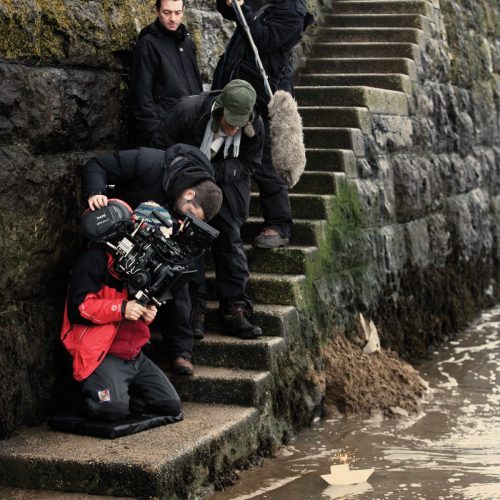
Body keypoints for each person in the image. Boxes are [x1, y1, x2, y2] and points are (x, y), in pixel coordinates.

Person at [81, 143, 223, 376]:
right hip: (119, 234)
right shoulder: (148, 162)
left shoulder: (191, 200)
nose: (185, 218)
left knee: (177, 282)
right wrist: (97, 191)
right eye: (189, 212)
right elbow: (97, 165)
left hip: (157, 248)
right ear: (189, 193)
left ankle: (181, 352)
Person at [152, 80, 265, 340]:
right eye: (229, 119)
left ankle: (234, 310)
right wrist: (187, 174)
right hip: (186, 181)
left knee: (230, 241)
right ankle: (194, 310)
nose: (234, 127)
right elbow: (160, 146)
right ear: (219, 107)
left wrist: (214, 172)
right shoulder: (188, 111)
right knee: (189, 240)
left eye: (240, 122)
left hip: (229, 183)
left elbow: (250, 163)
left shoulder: (255, 125)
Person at [60, 202, 182, 422]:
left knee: (170, 405)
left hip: (135, 353)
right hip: (102, 353)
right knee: (112, 412)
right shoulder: (94, 259)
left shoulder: (145, 264)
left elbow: (147, 301)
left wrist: (149, 310)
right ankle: (89, 396)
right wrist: (122, 308)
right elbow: (79, 308)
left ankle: (120, 395)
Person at [212, 0, 313, 249]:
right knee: (228, 153)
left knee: (267, 159)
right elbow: (229, 11)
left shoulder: (293, 11)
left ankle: (279, 224)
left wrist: (244, 8)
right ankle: (226, 218)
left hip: (267, 93)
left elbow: (262, 38)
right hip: (238, 86)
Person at [129, 0, 202, 145]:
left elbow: (197, 87)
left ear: (184, 10)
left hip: (192, 133)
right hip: (164, 135)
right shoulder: (147, 45)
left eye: (177, 12)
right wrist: (155, 136)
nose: (173, 18)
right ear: (157, 11)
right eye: (167, 12)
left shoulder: (187, 43)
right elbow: (141, 97)